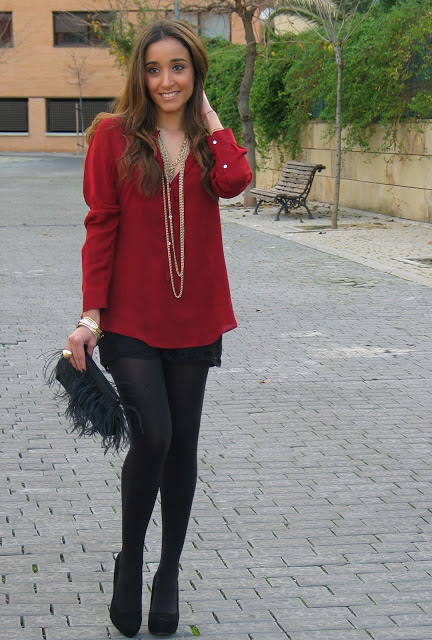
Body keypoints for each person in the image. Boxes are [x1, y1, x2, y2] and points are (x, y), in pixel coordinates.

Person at [64, 19, 252, 638]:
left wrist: (213, 119)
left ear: (196, 72)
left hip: (195, 315)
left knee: (183, 444)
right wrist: (91, 314)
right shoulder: (113, 136)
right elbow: (101, 223)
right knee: (154, 435)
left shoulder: (206, 140)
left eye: (178, 67)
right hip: (130, 317)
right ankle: (131, 560)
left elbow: (235, 183)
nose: (166, 80)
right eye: (153, 69)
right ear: (139, 76)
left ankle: (168, 570)